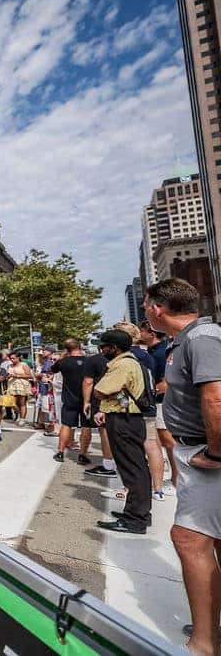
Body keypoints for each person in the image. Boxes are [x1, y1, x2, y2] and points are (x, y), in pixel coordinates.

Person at [143, 278, 221, 654]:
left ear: (158, 308)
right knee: (206, 540)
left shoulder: (201, 338)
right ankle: (210, 629)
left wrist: (217, 453)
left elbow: (217, 399)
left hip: (208, 455)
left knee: (189, 539)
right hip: (198, 453)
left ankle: (204, 643)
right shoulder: (186, 340)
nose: (145, 313)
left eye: (146, 306)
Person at [91, 329, 150, 535]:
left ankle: (135, 519)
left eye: (104, 346)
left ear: (114, 348)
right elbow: (121, 393)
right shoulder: (128, 362)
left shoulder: (123, 365)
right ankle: (137, 512)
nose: (102, 350)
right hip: (125, 417)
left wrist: (105, 398)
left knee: (133, 469)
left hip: (125, 421)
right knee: (133, 468)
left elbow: (100, 390)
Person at [112, 321, 166, 501]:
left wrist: (122, 403)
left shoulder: (122, 357)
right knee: (152, 445)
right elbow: (157, 380)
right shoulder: (147, 355)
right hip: (149, 406)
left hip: (128, 409)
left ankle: (130, 489)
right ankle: (157, 489)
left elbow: (117, 387)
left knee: (129, 451)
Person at [142, 320, 177, 493]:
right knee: (157, 442)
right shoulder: (153, 351)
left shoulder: (161, 352)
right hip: (156, 402)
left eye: (142, 331)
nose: (140, 334)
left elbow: (166, 383)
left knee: (169, 442)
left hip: (162, 402)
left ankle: (177, 481)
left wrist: (147, 392)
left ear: (151, 333)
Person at [50, 339, 94, 463]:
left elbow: (52, 369)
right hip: (87, 398)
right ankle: (83, 454)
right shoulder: (89, 361)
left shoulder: (63, 362)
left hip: (69, 398)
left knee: (66, 425)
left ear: (66, 349)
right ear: (80, 346)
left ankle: (60, 452)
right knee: (86, 426)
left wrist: (62, 357)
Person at [82, 343, 117, 478]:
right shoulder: (130, 358)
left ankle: (108, 465)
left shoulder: (95, 359)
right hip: (128, 400)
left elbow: (88, 382)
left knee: (105, 431)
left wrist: (86, 401)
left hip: (103, 398)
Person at [6, 352, 33, 425]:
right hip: (12, 385)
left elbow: (29, 375)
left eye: (13, 358)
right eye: (11, 358)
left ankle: (22, 418)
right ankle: (18, 413)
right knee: (10, 402)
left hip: (22, 385)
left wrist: (17, 375)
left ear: (18, 358)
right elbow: (7, 374)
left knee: (22, 403)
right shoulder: (9, 366)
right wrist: (8, 376)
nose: (12, 360)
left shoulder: (23, 365)